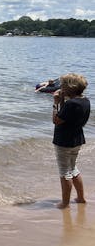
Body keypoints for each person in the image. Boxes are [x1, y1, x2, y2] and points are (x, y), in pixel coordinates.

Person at [52, 73, 90, 209]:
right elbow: (66, 115)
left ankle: (65, 203)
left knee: (64, 172)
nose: (60, 87)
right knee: (73, 168)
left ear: (70, 88)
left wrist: (55, 104)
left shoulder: (71, 104)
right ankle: (80, 198)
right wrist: (62, 100)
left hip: (64, 141)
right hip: (77, 139)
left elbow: (56, 120)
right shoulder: (84, 101)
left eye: (63, 85)